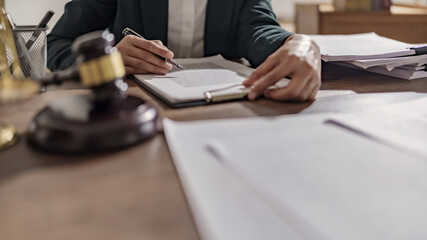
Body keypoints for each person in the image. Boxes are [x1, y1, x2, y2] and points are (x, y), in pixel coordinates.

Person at [47, 0, 321, 102]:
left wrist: (296, 43)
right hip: (128, 111)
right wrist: (108, 62)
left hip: (221, 115)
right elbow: (57, 43)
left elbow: (260, 29)